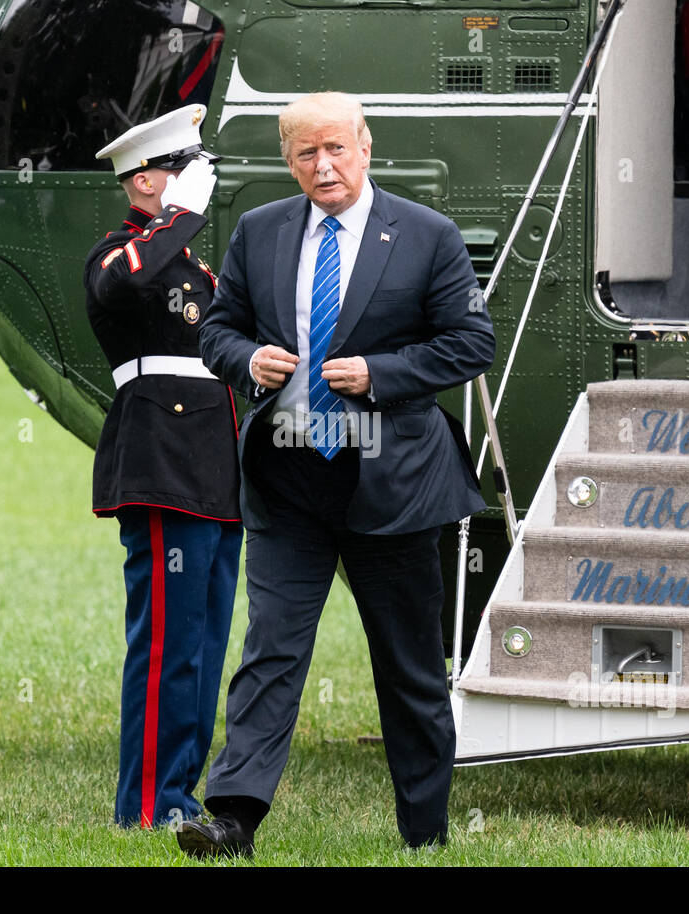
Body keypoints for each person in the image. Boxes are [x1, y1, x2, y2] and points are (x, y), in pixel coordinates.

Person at [178, 91, 495, 856]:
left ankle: (424, 833)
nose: (323, 166)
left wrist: (380, 373)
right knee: (272, 651)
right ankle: (233, 819)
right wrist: (246, 359)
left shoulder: (426, 235)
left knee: (410, 669)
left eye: (336, 149)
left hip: (391, 485)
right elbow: (217, 331)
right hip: (289, 480)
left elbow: (470, 342)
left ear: (365, 146)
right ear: (288, 161)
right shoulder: (259, 232)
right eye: (305, 154)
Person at [83, 104, 242, 829]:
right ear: (145, 181)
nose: (196, 183)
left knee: (204, 646)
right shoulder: (119, 255)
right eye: (182, 170)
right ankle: (147, 807)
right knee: (167, 646)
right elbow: (127, 283)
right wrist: (178, 216)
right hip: (162, 463)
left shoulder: (193, 266)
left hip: (213, 471)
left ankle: (180, 791)